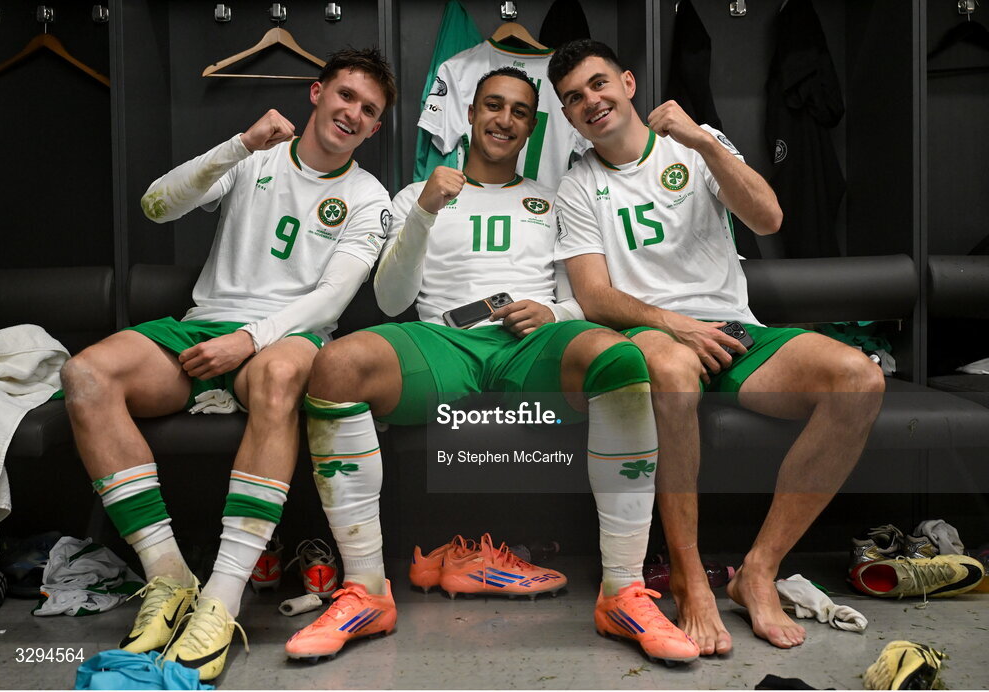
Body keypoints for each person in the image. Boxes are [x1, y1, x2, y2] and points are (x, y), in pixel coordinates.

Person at [283, 67, 700, 666]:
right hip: (443, 340)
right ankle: (367, 591)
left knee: (621, 360)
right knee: (339, 363)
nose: (504, 120)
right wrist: (425, 209)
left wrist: (552, 312)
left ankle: (623, 591)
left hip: (530, 345)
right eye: (493, 106)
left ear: (533, 126)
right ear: (470, 114)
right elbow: (395, 300)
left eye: (520, 111)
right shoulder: (412, 196)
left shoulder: (553, 198)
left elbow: (580, 293)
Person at [59, 48, 396, 680]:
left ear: (376, 130)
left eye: (369, 110)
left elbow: (331, 299)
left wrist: (251, 337)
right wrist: (238, 144)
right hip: (203, 324)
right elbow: (157, 206)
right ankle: (167, 575)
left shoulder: (369, 198)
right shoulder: (257, 157)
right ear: (317, 93)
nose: (353, 113)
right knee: (84, 375)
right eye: (346, 96)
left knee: (278, 372)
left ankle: (222, 594)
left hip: (289, 336)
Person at [547, 39, 885, 653]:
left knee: (859, 378)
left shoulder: (694, 143)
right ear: (567, 116)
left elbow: (768, 218)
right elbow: (594, 296)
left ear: (627, 83)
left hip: (734, 328)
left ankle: (758, 571)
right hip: (652, 333)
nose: (590, 101)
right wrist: (674, 325)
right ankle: (688, 578)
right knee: (673, 373)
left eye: (598, 84)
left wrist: (703, 140)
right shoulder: (577, 186)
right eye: (573, 98)